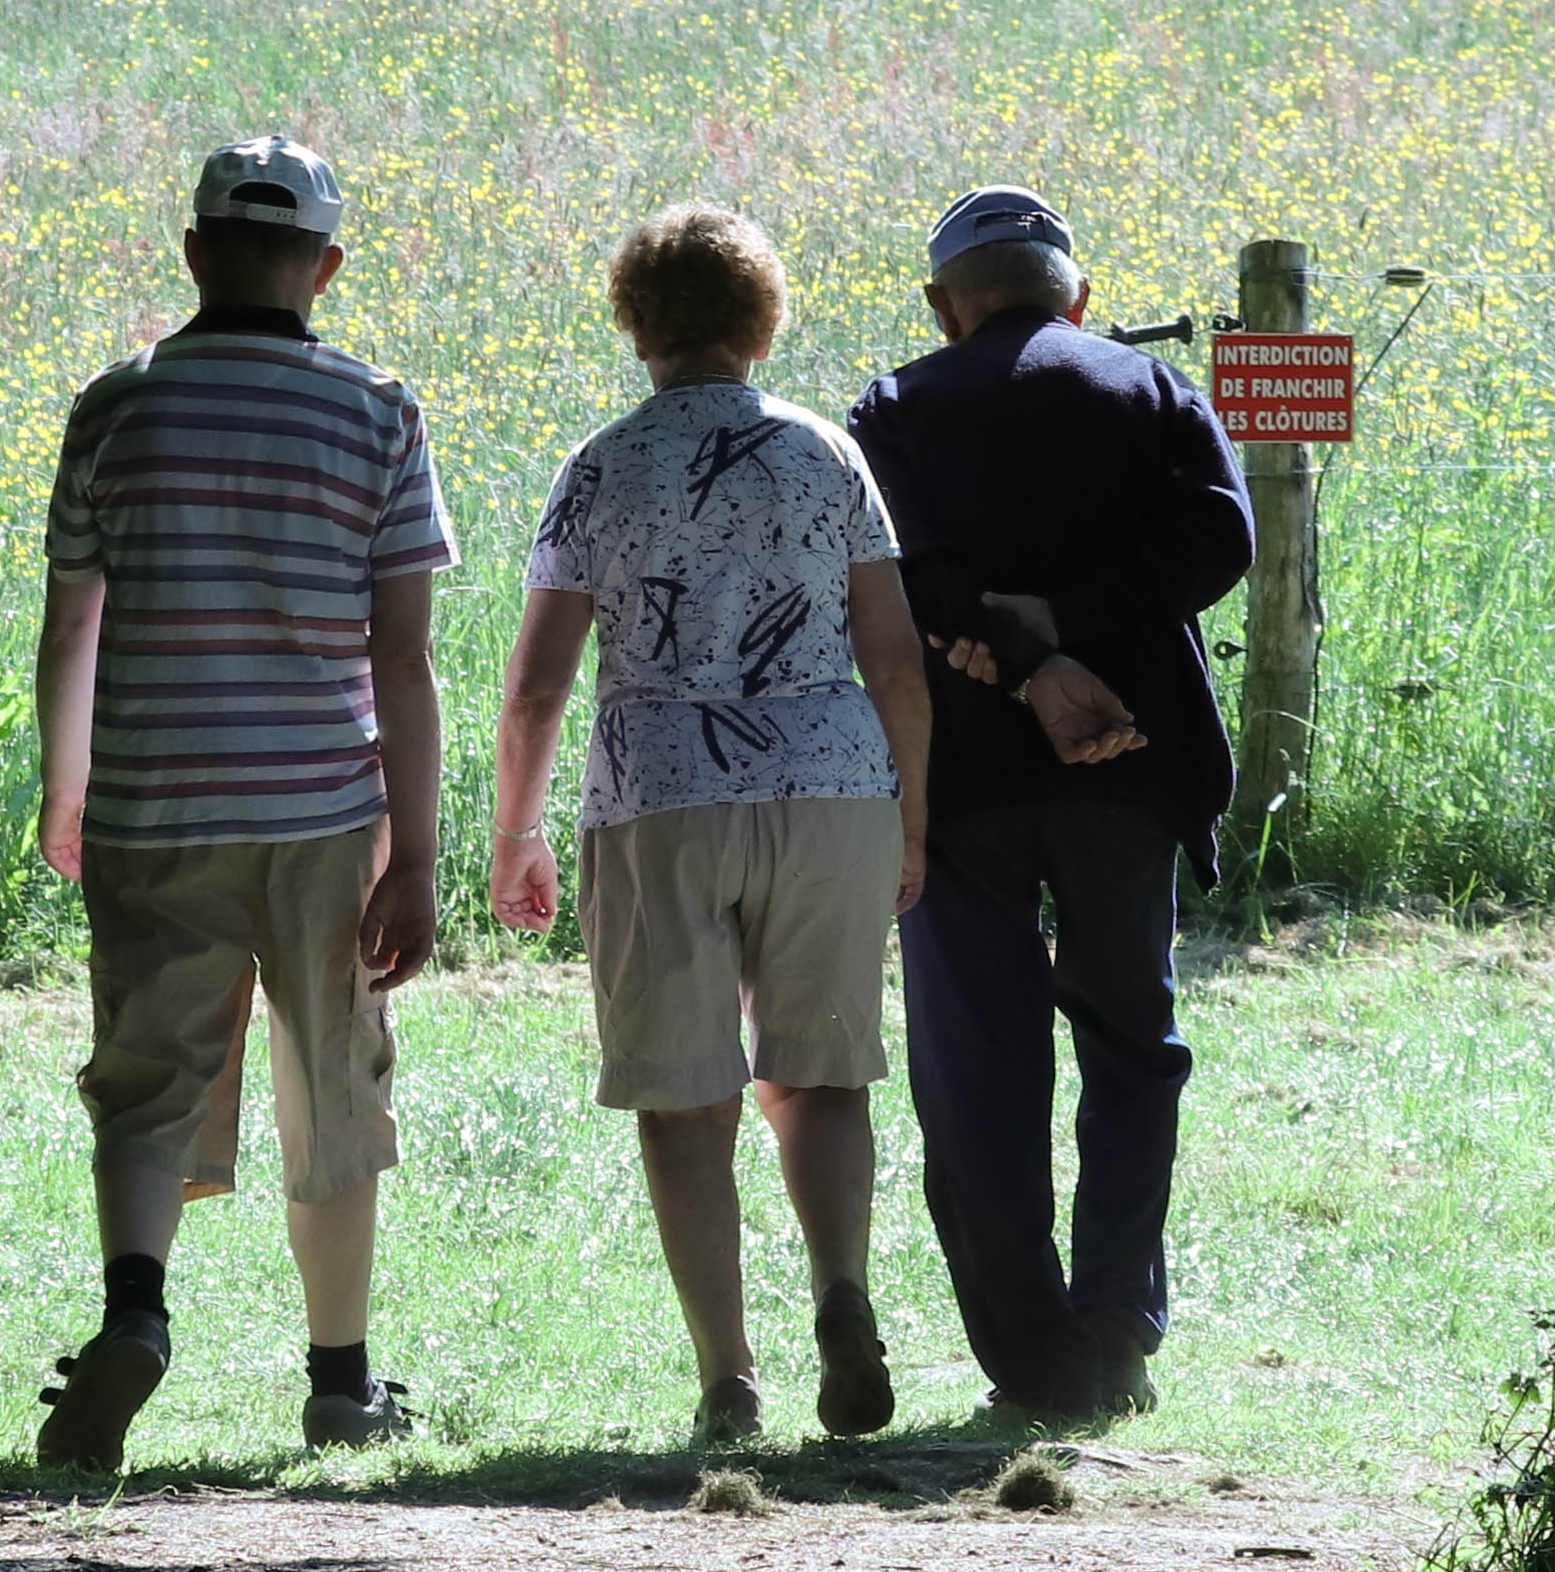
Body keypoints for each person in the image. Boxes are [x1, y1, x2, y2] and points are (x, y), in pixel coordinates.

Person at [27, 137, 455, 1470]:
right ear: (325, 267)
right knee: (332, 1075)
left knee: (146, 1075)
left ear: (195, 251)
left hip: (153, 800)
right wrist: (420, 848)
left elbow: (70, 626)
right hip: (324, 808)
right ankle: (340, 1382)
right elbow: (403, 656)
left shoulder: (116, 407)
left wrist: (67, 789)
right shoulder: (376, 412)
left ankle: (137, 1315)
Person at [486, 204, 934, 1445]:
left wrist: (514, 833)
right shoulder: (828, 455)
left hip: (660, 795)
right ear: (762, 317)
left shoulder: (600, 464)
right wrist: (911, 815)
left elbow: (536, 685)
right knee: (822, 1073)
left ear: (637, 323)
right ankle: (843, 1295)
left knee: (687, 1102)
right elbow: (895, 661)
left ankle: (729, 1375)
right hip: (833, 788)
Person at [845, 185, 1252, 1425]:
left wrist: (1024, 656)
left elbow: (899, 571)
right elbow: (1221, 539)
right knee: (1133, 1042)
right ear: (1078, 295)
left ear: (944, 305)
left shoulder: (898, 405)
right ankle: (1117, 1324)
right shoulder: (1151, 389)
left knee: (977, 1060)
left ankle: (1031, 1359)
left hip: (956, 778)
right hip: (1126, 767)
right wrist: (1075, 647)